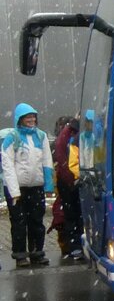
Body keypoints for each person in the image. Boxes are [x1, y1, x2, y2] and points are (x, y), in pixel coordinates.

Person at [2, 103, 55, 268]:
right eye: (27, 117)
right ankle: (20, 255)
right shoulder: (13, 137)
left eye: (33, 117)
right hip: (16, 189)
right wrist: (14, 191)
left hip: (36, 187)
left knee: (36, 221)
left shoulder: (41, 136)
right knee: (18, 223)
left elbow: (47, 161)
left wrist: (48, 186)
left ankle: (37, 253)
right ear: (20, 119)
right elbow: (7, 165)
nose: (31, 120)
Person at [52, 114, 84, 262]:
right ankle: (74, 247)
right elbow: (62, 158)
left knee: (76, 215)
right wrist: (72, 181)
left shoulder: (75, 132)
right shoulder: (68, 135)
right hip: (69, 182)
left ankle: (77, 245)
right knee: (72, 215)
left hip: (77, 180)